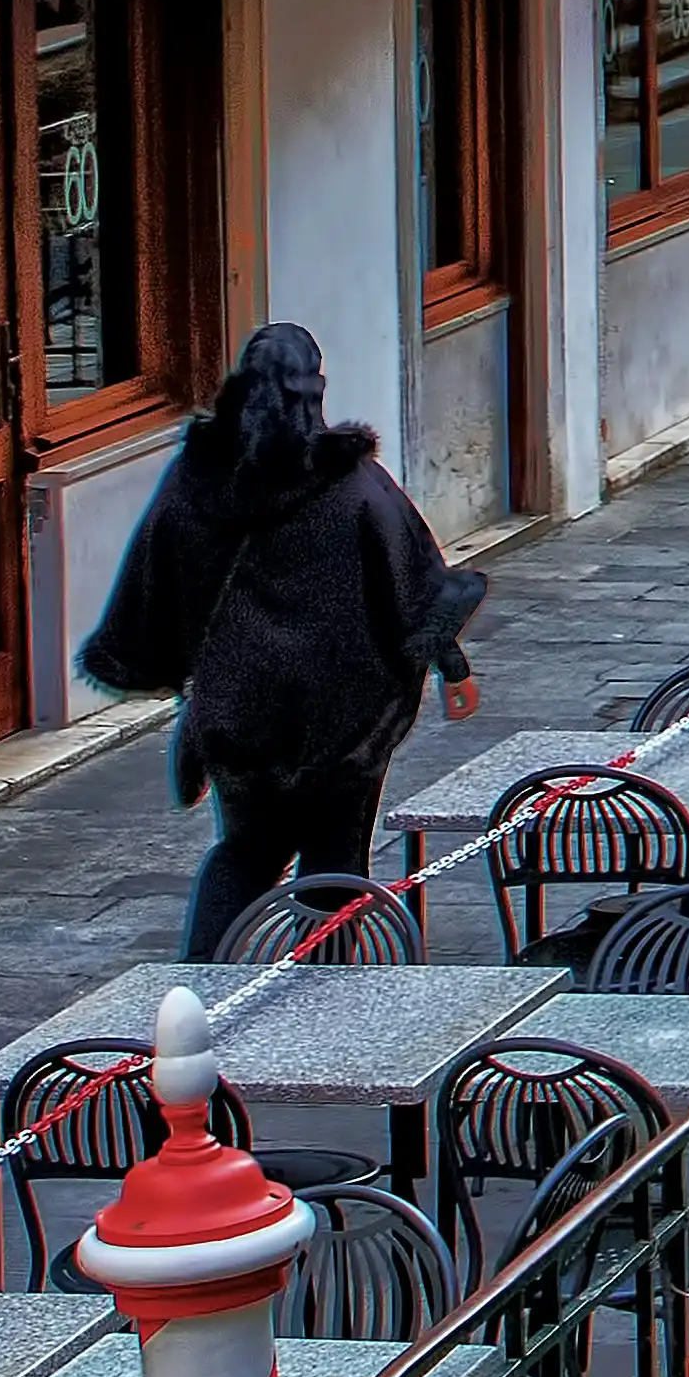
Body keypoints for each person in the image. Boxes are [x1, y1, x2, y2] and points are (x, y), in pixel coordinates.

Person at [80, 325, 487, 960]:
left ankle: (201, 989)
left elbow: (154, 579)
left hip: (238, 719)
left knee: (243, 854)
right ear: (313, 391)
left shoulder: (196, 482)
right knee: (334, 861)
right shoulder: (355, 487)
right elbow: (414, 585)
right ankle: (320, 1007)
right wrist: (452, 667)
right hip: (343, 723)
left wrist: (173, 671)